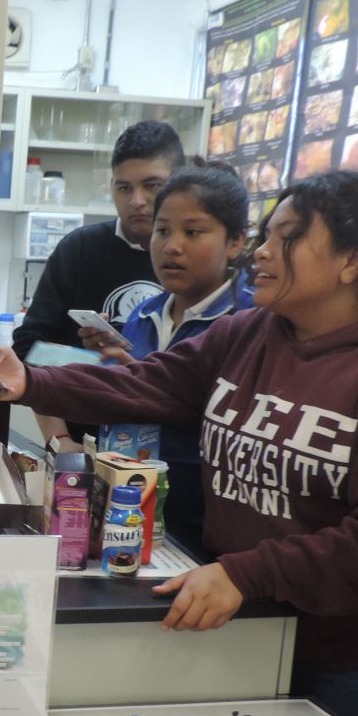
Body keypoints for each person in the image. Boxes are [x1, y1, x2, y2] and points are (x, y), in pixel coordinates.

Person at [0, 171, 358, 716]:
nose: (261, 252)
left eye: (287, 237)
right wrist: (32, 381)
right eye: (265, 235)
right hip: (267, 630)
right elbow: (149, 383)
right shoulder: (250, 332)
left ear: (352, 260)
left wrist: (246, 572)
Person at [81, 162, 256, 556]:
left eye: (193, 232)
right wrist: (105, 370)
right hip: (131, 511)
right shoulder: (144, 313)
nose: (172, 246)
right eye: (162, 231)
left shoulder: (252, 321)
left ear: (236, 241)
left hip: (205, 527)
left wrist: (143, 385)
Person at [13, 120, 184, 447]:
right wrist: (60, 440)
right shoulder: (80, 249)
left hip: (172, 450)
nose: (137, 200)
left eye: (152, 185)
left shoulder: (192, 260)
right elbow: (30, 348)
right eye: (124, 188)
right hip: (84, 446)